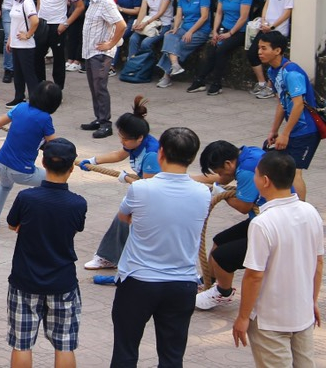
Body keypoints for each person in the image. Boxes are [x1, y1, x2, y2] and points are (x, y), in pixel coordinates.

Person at [110, 126, 210, 367]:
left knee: (125, 351)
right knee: (172, 357)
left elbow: (124, 217)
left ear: (161, 153)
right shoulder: (203, 193)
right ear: (193, 157)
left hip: (138, 281)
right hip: (182, 283)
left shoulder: (141, 188)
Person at [231, 151, 323, 367]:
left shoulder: (262, 223)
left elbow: (254, 275)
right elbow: (318, 262)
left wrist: (243, 317)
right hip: (302, 314)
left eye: (255, 174)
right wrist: (312, 300)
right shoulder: (311, 212)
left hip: (270, 320)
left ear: (265, 181)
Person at [4, 139, 87, 368]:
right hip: (62, 281)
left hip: (25, 279)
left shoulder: (27, 198)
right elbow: (76, 228)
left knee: (21, 343)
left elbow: (13, 224)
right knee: (65, 345)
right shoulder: (78, 203)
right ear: (72, 168)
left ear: (43, 162)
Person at [77, 96, 160, 281]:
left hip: (157, 198)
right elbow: (118, 154)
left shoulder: (152, 154)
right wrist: (93, 160)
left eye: (124, 138)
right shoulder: (135, 142)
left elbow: (150, 186)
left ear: (139, 139)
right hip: (143, 190)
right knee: (124, 219)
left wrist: (128, 178)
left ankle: (116, 261)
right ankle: (110, 257)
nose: (122, 141)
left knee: (127, 220)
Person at [195, 140, 281, 312]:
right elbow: (220, 181)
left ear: (228, 164)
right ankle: (207, 281)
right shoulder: (249, 154)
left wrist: (223, 194)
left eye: (219, 172)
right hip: (261, 220)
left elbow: (243, 207)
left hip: (274, 227)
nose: (219, 176)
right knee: (219, 240)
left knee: (222, 256)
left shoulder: (246, 172)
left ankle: (223, 293)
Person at [258, 31, 317, 198]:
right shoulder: (273, 71)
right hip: (294, 128)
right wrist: (274, 130)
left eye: (264, 48)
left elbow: (298, 105)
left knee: (295, 173)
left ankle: (301, 213)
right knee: (287, 170)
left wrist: (285, 134)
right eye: (259, 48)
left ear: (277, 51)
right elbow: (282, 104)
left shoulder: (292, 73)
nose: (259, 52)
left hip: (306, 130)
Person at [0, 82, 62, 211]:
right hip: (22, 171)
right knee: (55, 180)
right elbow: (55, 145)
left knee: (4, 186)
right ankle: (43, 214)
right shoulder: (45, 118)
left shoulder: (21, 106)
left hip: (0, 162)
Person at [188, 0, 253, 96]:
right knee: (212, 47)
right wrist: (215, 31)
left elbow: (243, 18)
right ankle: (200, 80)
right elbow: (219, 13)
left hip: (239, 31)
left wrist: (230, 33)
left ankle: (217, 83)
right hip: (224, 27)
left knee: (221, 50)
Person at [79, 0, 126, 139]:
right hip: (91, 52)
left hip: (101, 53)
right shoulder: (93, 1)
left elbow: (121, 25)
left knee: (100, 87)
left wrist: (111, 44)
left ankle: (106, 123)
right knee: (94, 86)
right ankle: (99, 118)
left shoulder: (106, 2)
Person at [34, 0, 83, 88]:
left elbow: (79, 6)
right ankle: (40, 86)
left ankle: (58, 89)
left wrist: (66, 24)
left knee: (59, 59)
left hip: (57, 25)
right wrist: (38, 11)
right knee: (37, 56)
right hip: (42, 23)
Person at [247, 0, 294, 99]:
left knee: (273, 58)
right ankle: (261, 82)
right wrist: (263, 19)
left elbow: (287, 12)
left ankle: (270, 86)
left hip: (278, 30)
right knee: (252, 53)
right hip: (265, 27)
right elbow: (267, 3)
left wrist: (272, 26)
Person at [155, 0, 211, 88]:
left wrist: (191, 32)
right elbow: (179, 15)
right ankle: (175, 65)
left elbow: (204, 17)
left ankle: (167, 76)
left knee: (177, 45)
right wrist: (175, 28)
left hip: (200, 31)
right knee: (169, 36)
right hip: (184, 28)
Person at [124, 0, 173, 66]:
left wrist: (145, 23)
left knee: (146, 43)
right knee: (133, 39)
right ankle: (131, 66)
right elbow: (143, 10)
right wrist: (137, 23)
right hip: (149, 23)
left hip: (162, 24)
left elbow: (161, 12)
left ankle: (145, 67)